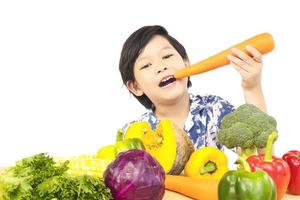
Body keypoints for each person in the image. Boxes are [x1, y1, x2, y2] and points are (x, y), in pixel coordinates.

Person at [119, 25, 266, 150]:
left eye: (167, 56)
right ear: (135, 86)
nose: (161, 67)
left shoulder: (214, 109)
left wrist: (252, 88)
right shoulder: (133, 134)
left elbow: (258, 154)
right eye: (146, 65)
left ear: (186, 62)